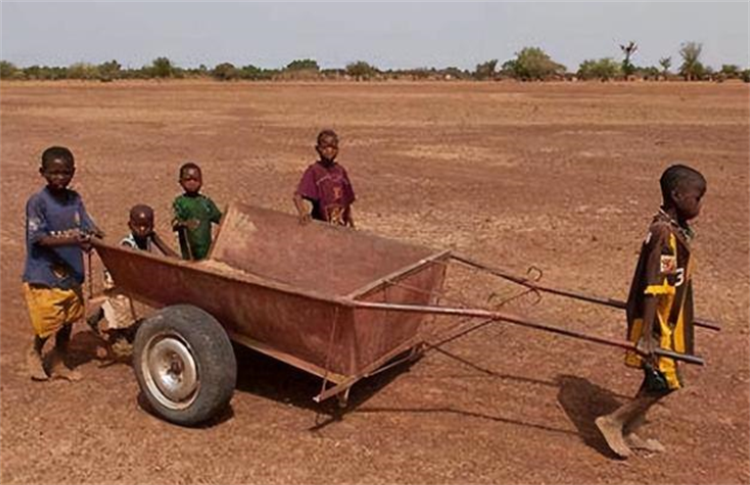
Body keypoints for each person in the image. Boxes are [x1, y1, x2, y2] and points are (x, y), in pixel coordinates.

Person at [596, 164, 707, 458]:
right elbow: (655, 285)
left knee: (656, 379)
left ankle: (629, 428)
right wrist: (646, 335)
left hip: (669, 317)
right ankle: (613, 421)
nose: (699, 205)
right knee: (664, 382)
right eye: (697, 198)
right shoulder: (663, 234)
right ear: (677, 194)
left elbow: (671, 279)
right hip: (656, 323)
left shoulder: (675, 229)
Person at [22, 146, 103, 381]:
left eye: (65, 173)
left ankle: (59, 361)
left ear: (73, 172)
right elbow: (38, 238)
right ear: (42, 172)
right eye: (54, 172)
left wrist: (93, 239)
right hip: (45, 273)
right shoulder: (38, 202)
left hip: (72, 272)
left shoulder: (75, 200)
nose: (60, 178)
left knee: (68, 320)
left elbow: (87, 226)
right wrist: (73, 239)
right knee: (48, 321)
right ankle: (35, 353)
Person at [87, 204, 177, 357]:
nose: (142, 230)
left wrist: (158, 240)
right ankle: (120, 337)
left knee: (119, 303)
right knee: (122, 306)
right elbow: (128, 267)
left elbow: (170, 255)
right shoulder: (127, 244)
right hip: (117, 276)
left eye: (147, 226)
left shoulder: (150, 238)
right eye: (138, 226)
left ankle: (96, 316)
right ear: (130, 225)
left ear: (152, 226)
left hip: (132, 275)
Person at [293, 129, 356, 227]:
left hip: (340, 226)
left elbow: (347, 200)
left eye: (333, 147)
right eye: (325, 147)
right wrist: (303, 212)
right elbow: (298, 196)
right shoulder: (314, 171)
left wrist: (350, 221)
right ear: (318, 149)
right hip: (321, 225)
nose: (329, 151)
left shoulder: (341, 171)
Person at [172, 162, 222, 260]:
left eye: (195, 179)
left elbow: (220, 219)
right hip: (189, 247)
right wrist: (185, 224)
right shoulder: (180, 202)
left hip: (206, 246)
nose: (192, 183)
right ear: (180, 182)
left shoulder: (206, 202)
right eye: (188, 179)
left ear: (201, 181)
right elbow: (175, 222)